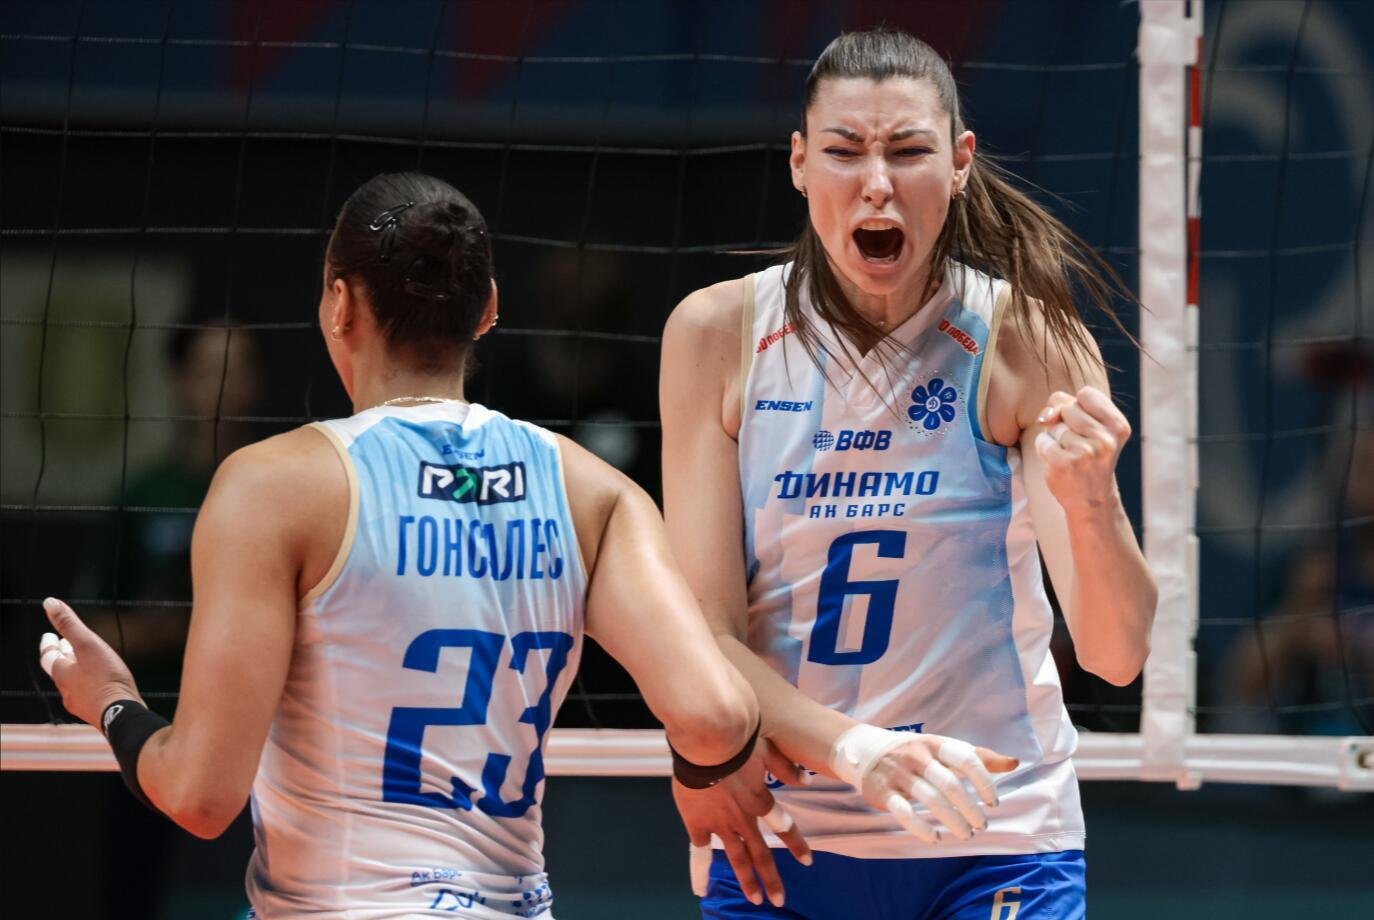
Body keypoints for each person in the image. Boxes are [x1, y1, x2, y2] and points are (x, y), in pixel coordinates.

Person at [39, 171, 808, 919]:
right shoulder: (596, 493)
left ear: (340, 304)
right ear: (489, 308)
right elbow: (715, 714)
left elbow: (201, 797)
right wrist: (702, 773)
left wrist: (110, 702)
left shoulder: (272, 487)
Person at [660, 28, 1157, 919]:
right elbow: (705, 643)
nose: (877, 183)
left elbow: (1117, 658)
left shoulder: (1027, 339)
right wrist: (860, 751)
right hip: (791, 835)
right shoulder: (716, 334)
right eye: (845, 151)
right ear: (800, 163)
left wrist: (1093, 503)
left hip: (997, 835)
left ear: (960, 163)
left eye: (908, 151)